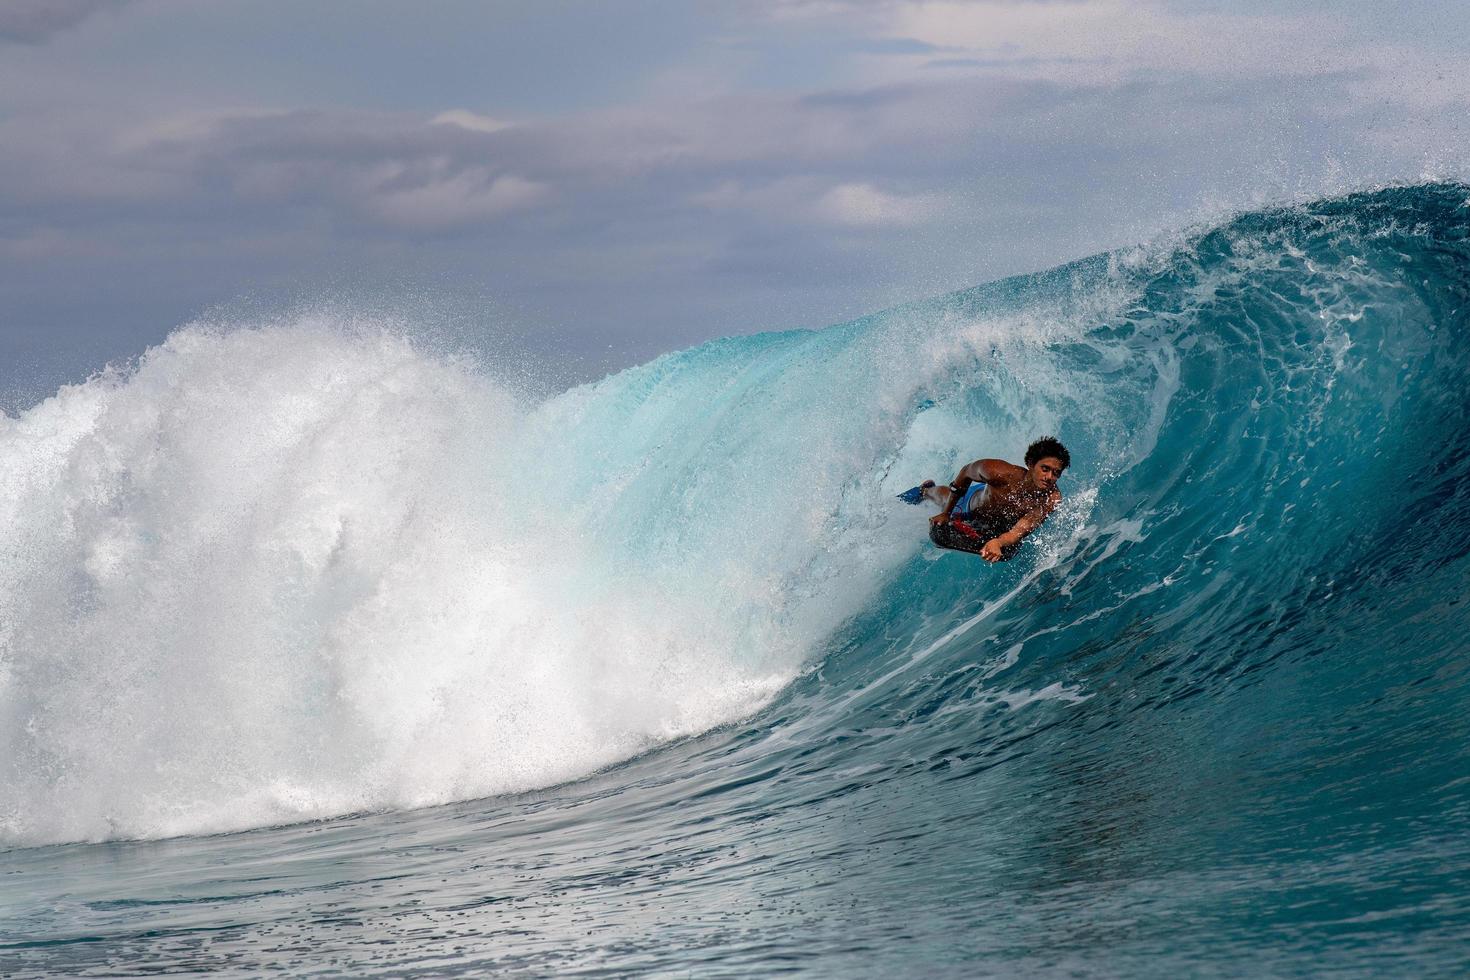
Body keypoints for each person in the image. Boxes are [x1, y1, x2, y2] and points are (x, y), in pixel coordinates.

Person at [898, 436, 1070, 562]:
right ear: (1031, 464)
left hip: (999, 525)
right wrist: (946, 513)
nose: (1049, 477)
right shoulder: (998, 472)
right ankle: (925, 490)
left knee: (1007, 550)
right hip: (971, 506)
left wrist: (998, 541)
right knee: (943, 498)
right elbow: (966, 472)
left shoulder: (1050, 499)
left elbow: (1019, 530)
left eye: (1056, 473)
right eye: (1045, 469)